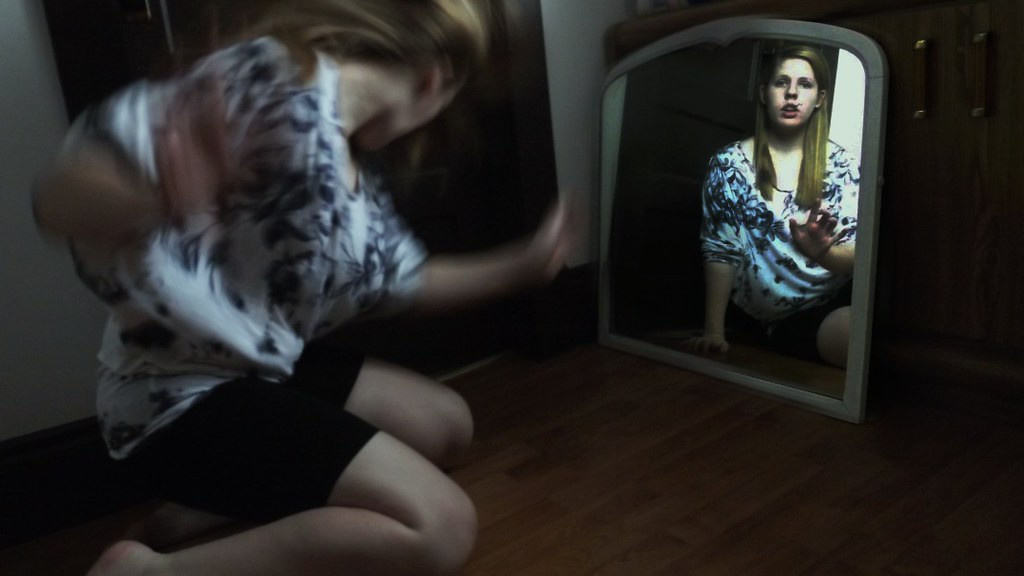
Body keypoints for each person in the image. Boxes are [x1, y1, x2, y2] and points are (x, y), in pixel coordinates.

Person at [32, 1, 570, 575]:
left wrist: (521, 267)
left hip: (257, 373)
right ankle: (148, 572)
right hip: (173, 403)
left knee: (447, 425)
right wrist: (155, 192)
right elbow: (59, 199)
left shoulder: (356, 184)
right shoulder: (270, 82)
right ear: (434, 82)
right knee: (441, 527)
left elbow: (406, 281)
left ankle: (210, 503)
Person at [683, 44, 859, 368]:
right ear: (764, 93)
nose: (792, 93)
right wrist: (713, 331)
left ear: (820, 98)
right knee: (857, 339)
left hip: (843, 293)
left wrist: (823, 254)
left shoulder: (843, 165)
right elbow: (721, 250)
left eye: (804, 84)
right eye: (781, 82)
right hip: (791, 316)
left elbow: (860, 255)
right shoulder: (730, 164)